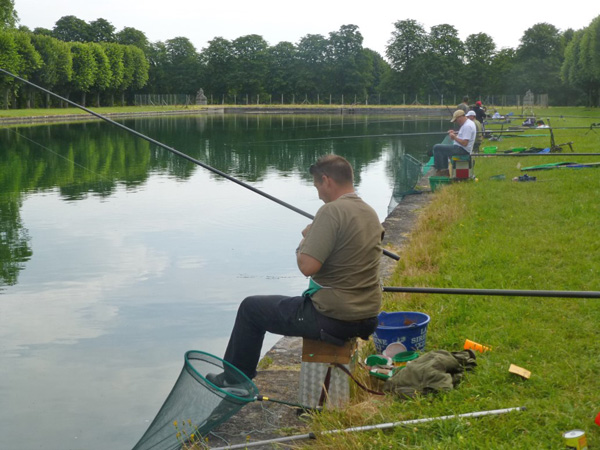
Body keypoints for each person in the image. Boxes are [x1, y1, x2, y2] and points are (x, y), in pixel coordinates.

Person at [207, 154, 384, 386]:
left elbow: (307, 267)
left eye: (317, 186)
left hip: (335, 317)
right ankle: (236, 376)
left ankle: (234, 379)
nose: (318, 193)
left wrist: (306, 239)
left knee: (251, 309)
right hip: (368, 315)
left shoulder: (331, 211)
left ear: (326, 180)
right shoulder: (369, 212)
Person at [431, 109, 477, 176]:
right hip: (461, 148)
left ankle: (441, 170)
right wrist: (455, 133)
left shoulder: (467, 126)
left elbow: (465, 143)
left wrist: (454, 137)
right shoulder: (467, 123)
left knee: (437, 147)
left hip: (463, 150)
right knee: (442, 149)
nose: (456, 122)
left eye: (456, 120)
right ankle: (444, 170)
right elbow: (463, 136)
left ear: (460, 117)